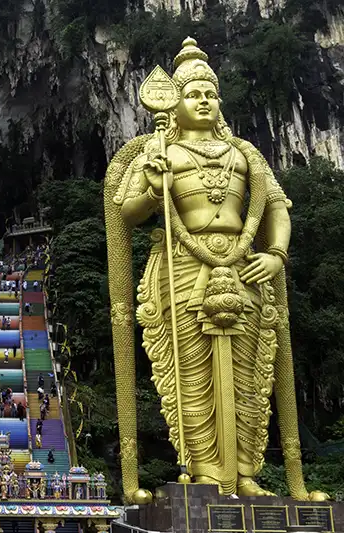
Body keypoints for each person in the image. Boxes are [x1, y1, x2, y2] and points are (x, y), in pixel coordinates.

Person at [105, 37, 323, 500]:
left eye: (210, 94)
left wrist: (276, 253)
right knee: (192, 371)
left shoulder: (244, 153)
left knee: (249, 371)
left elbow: (277, 209)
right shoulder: (157, 150)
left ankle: (245, 472)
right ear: (175, 103)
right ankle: (205, 471)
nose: (203, 101)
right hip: (183, 265)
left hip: (245, 266)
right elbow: (126, 211)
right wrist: (152, 182)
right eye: (193, 94)